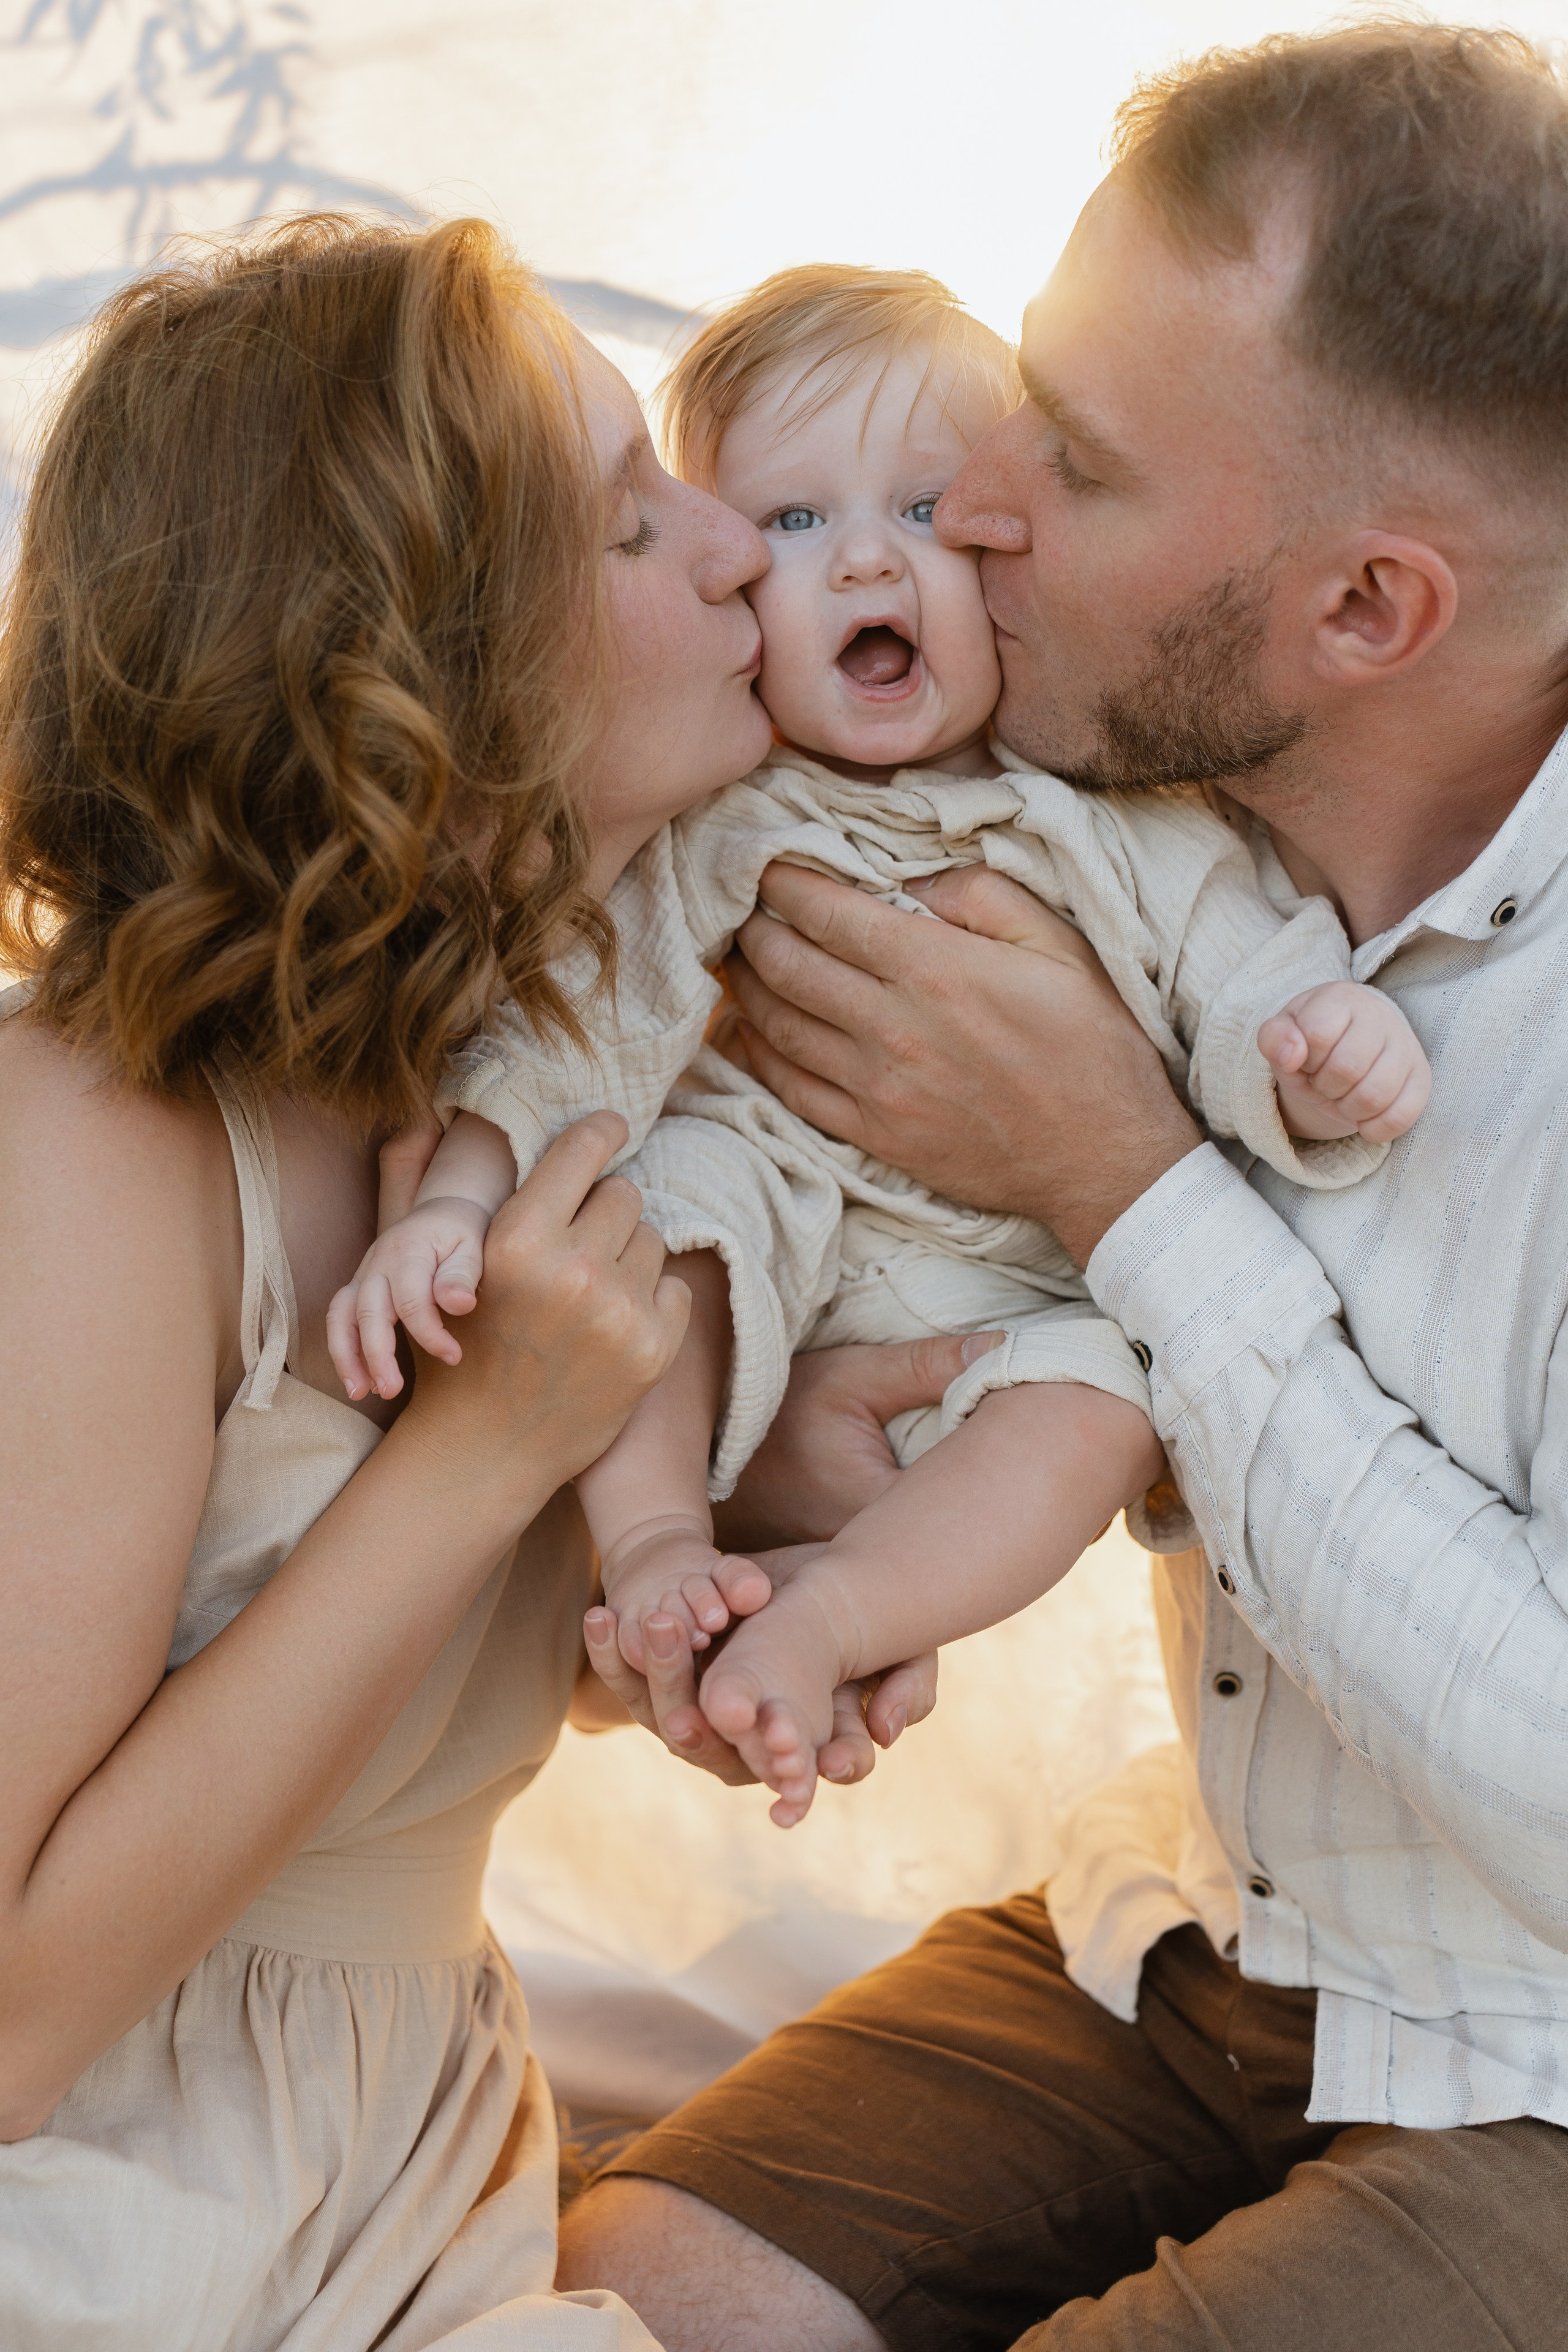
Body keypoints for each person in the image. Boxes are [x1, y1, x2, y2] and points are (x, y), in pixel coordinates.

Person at [559, 24, 1568, 2351]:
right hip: (1204, 1911)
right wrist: (793, 1470)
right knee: (633, 2292)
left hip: (1540, 2037)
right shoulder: (1049, 795)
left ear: (1365, 613)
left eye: (1078, 465)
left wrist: (1117, 1171)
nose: (973, 503)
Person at [0, 213, 937, 2351]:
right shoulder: (100, 1133)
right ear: (405, 657)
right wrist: (482, 1446)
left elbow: (396, 1719)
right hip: (95, 2191)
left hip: (415, 2166)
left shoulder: (581, 1092)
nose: (736, 557)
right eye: (628, 524)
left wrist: (718, 1587)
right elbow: (8, 2016)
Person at [333, 263, 1428, 1825]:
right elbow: (587, 1025)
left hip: (1010, 1284)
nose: (862, 557)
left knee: (1104, 1404)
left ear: (1005, 558)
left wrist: (1312, 1047)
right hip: (782, 1206)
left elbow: (1237, 968)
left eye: (924, 510)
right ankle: (654, 1546)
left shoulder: (1113, 809)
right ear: (726, 583)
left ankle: (843, 1611)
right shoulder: (729, 824)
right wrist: (452, 1205)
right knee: (655, 1216)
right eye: (789, 523)